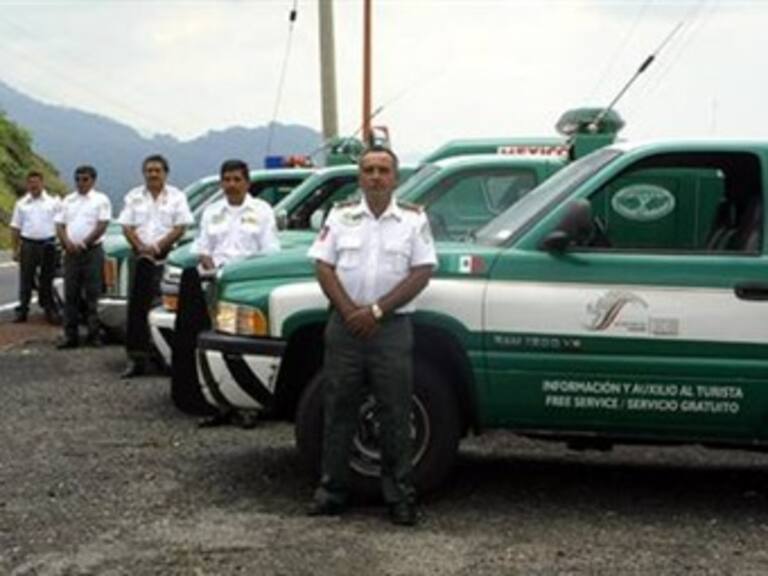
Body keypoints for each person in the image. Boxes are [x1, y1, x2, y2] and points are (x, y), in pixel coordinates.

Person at [306, 146, 437, 526]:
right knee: (338, 409)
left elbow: (422, 271)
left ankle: (399, 497)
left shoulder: (413, 220)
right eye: (368, 170)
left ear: (395, 177)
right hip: (344, 325)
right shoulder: (341, 216)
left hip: (391, 328)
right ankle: (331, 492)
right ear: (359, 177)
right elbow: (324, 266)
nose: (376, 176)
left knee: (395, 411)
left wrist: (377, 311)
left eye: (383, 170)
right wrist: (350, 311)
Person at [171, 159, 280, 423]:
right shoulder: (212, 211)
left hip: (244, 288)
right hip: (214, 283)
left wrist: (241, 272)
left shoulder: (262, 210)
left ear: (247, 182)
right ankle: (220, 406)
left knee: (240, 348)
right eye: (227, 180)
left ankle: (249, 408)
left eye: (236, 179)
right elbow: (202, 246)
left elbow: (269, 251)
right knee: (214, 346)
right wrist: (208, 262)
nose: (231, 185)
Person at [118, 154, 193, 378]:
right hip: (140, 258)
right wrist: (141, 247)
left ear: (165, 173)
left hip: (166, 258)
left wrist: (158, 247)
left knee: (164, 306)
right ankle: (136, 359)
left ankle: (164, 357)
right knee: (136, 309)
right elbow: (126, 226)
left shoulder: (177, 197)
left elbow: (180, 227)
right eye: (149, 170)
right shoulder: (134, 197)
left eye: (157, 170)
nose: (152, 174)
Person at [55, 166, 112, 348]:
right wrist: (66, 243)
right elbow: (60, 225)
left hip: (92, 252)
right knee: (70, 294)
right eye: (78, 179)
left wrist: (84, 243)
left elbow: (102, 225)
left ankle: (94, 334)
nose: (81, 183)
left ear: (93, 180)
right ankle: (70, 336)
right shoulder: (68, 200)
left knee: (93, 294)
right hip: (71, 253)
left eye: (85, 179)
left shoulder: (100, 200)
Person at [9, 171, 61, 324]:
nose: (34, 185)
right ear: (27, 184)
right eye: (30, 182)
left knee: (47, 278)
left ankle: (49, 310)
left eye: (36, 182)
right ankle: (22, 310)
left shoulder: (53, 203)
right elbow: (15, 227)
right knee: (26, 278)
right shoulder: (21, 204)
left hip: (48, 244)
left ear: (42, 183)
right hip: (28, 244)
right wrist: (15, 249)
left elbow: (60, 224)